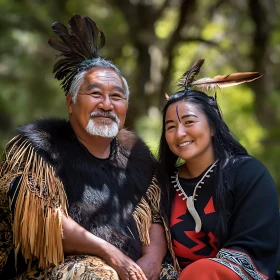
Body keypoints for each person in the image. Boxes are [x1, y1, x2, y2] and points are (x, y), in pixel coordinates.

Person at [0, 14, 175, 280]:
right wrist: (108, 253)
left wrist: (152, 259)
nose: (106, 104)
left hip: (126, 267)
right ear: (70, 103)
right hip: (46, 270)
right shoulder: (37, 147)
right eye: (95, 94)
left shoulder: (137, 157)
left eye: (116, 96)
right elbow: (43, 222)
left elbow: (155, 217)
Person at [157, 59, 280, 279]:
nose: (179, 133)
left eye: (189, 122)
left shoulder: (247, 173)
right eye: (171, 127)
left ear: (212, 127)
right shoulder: (160, 184)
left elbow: (255, 246)